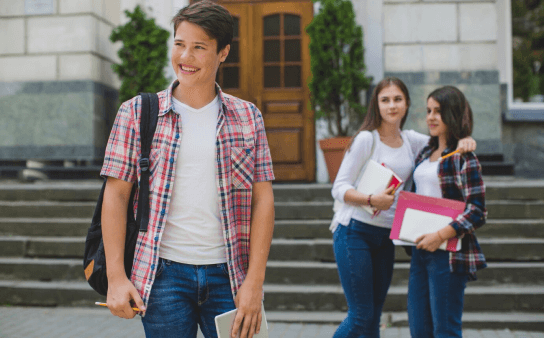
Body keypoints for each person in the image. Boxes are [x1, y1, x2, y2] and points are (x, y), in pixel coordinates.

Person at [100, 2, 275, 338]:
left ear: (223, 53)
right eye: (180, 44)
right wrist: (116, 278)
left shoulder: (247, 117)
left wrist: (254, 282)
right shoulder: (136, 113)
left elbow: (262, 201)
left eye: (199, 47)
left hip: (230, 276)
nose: (186, 57)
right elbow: (116, 197)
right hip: (162, 275)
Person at [330, 77, 476, 338]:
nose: (392, 106)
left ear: (407, 104)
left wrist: (466, 139)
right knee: (361, 315)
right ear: (376, 104)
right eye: (385, 100)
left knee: (374, 314)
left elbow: (445, 138)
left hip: (387, 237)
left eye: (397, 99)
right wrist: (371, 200)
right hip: (355, 231)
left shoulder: (412, 142)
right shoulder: (366, 139)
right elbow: (338, 187)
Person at [407, 86, 486, 337]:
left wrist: (440, 235)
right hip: (420, 250)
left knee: (446, 330)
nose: (430, 117)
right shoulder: (424, 152)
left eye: (438, 111)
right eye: (428, 110)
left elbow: (477, 210)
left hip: (448, 253)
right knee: (419, 329)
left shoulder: (464, 157)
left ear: (452, 113)